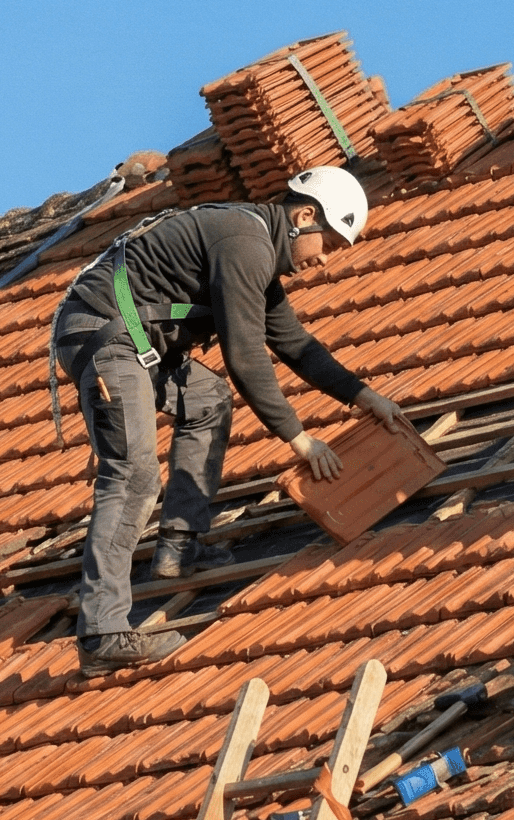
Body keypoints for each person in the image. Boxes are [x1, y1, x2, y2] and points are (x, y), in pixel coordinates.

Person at [51, 166, 407, 675]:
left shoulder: (255, 250)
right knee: (132, 476)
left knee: (207, 399)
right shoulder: (245, 244)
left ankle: (178, 545)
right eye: (327, 242)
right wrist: (300, 439)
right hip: (105, 338)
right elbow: (245, 355)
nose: (325, 259)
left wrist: (365, 396)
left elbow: (294, 344)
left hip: (139, 344)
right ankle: (102, 632)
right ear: (304, 216)